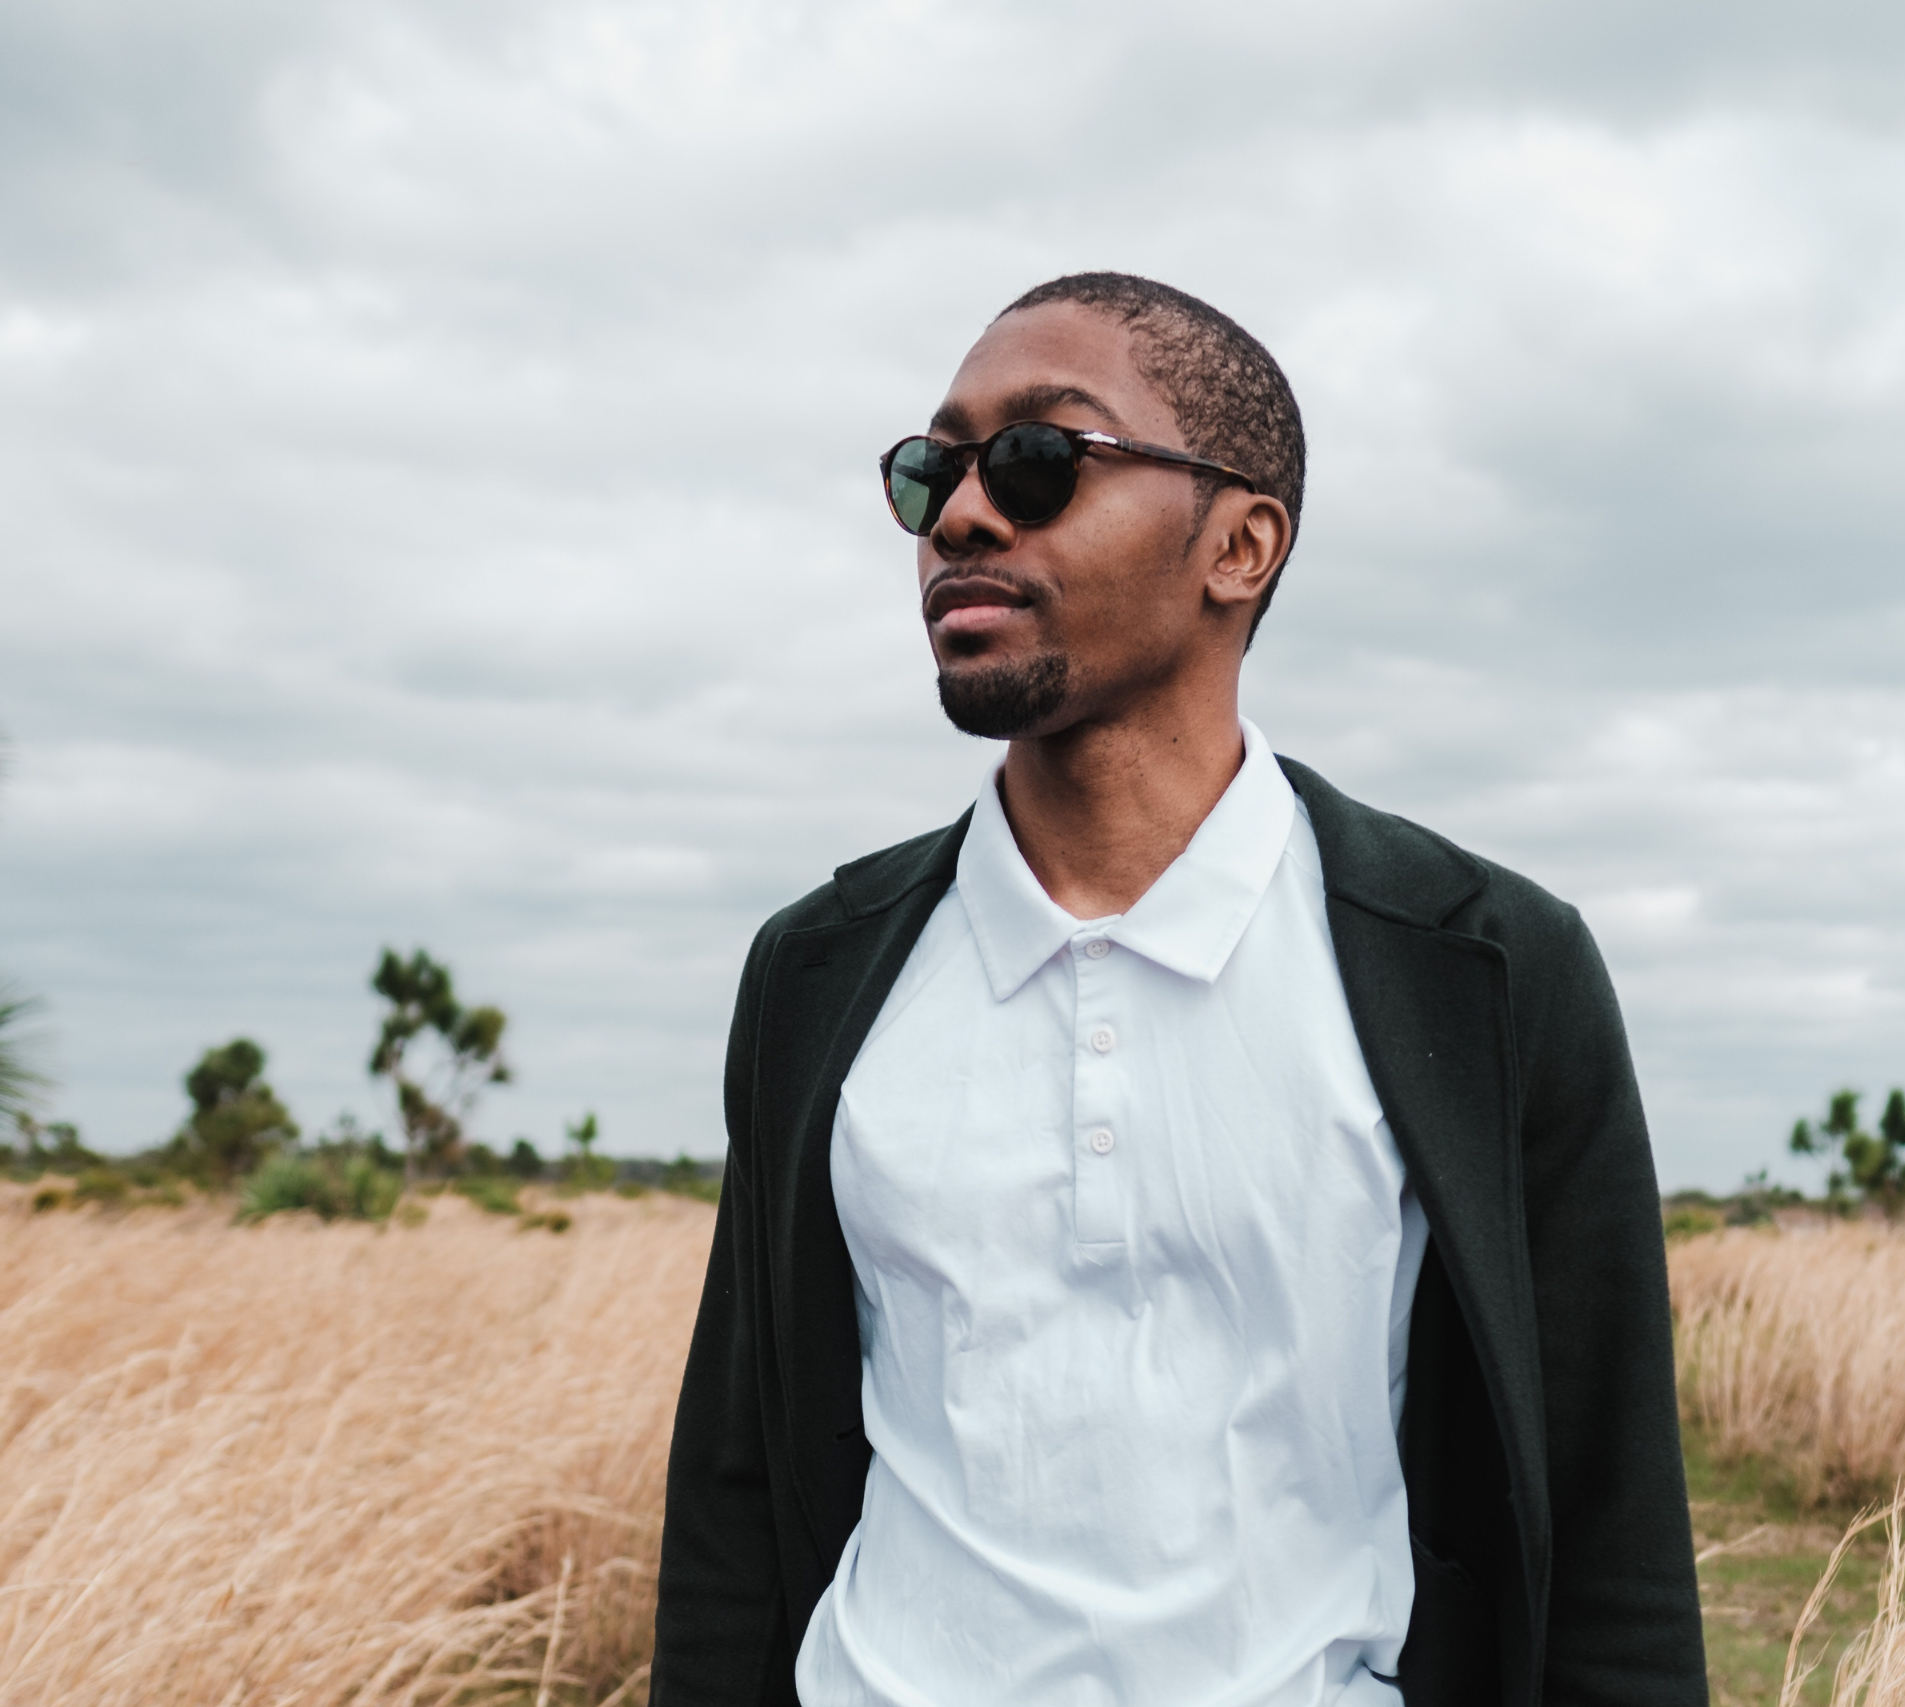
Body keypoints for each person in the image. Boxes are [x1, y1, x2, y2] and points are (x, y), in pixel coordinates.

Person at [652, 273, 1705, 1707]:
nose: (964, 512)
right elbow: (733, 1491)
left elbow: (1606, 1529)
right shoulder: (819, 969)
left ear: (1242, 542)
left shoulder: (1485, 966)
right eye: (932, 469)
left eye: (1038, 460)